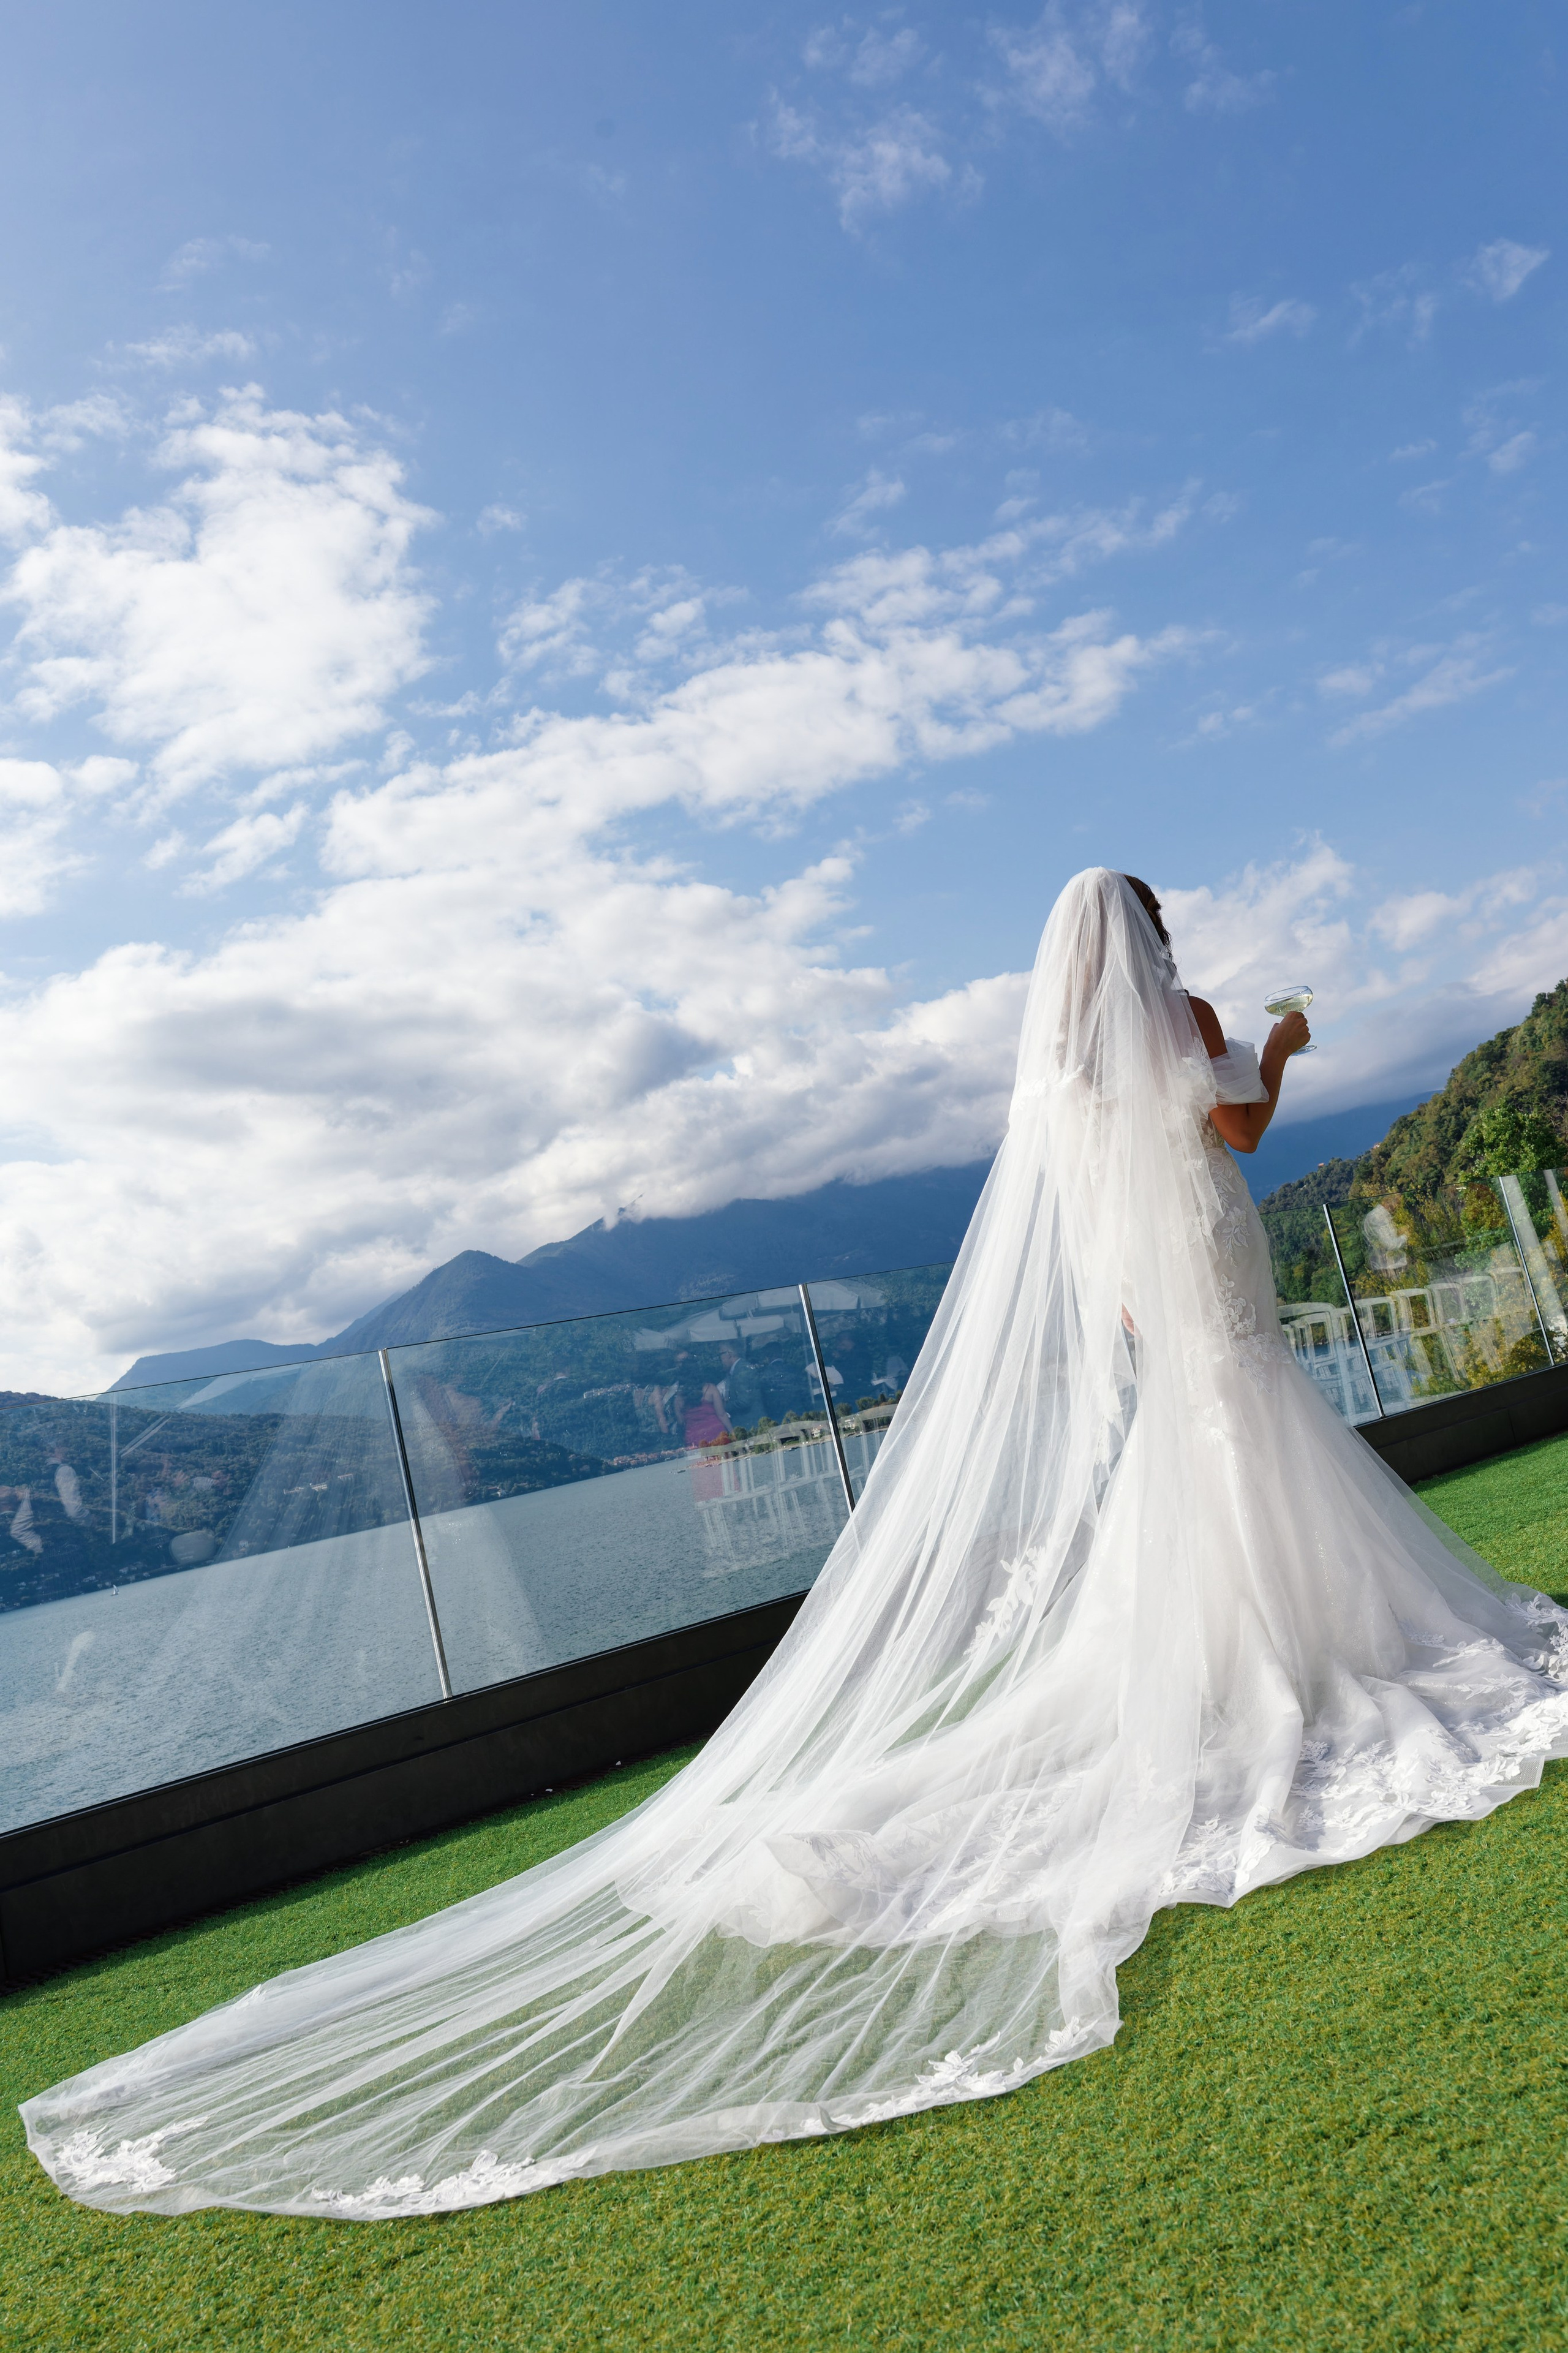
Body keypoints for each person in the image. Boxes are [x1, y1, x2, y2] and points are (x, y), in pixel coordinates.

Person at [24, 869, 1568, 2221]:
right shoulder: (1187, 1017)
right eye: (1156, 920)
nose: (1164, 938)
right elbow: (1231, 1129)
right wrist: (1282, 1048)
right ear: (1143, 937)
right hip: (1203, 1238)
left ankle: (1253, 1644)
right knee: (1248, 1421)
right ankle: (1294, 1647)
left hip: (1144, 1270)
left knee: (1207, 1434)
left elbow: (1091, 1200)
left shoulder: (1054, 1064)